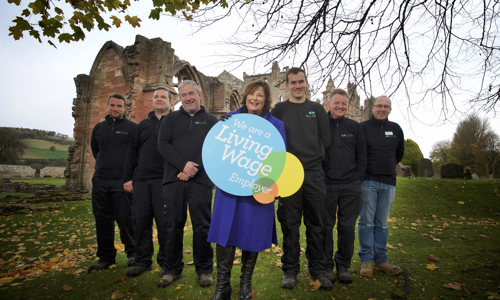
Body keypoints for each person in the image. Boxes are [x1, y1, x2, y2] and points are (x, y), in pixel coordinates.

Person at [208, 80, 286, 300]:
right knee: (225, 233)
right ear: (245, 96)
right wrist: (220, 126)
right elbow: (216, 149)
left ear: (266, 99)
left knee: (251, 234)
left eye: (260, 95)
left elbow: (279, 159)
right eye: (251, 94)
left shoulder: (276, 125)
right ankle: (222, 286)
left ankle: (245, 285)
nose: (255, 98)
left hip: (257, 189)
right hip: (229, 186)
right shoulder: (230, 119)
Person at [271, 67, 332, 290]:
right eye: (293, 82)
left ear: (306, 83)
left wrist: (310, 161)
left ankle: (318, 269)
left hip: (314, 174)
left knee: (317, 224)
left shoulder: (316, 109)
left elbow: (325, 141)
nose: (297, 85)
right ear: (286, 85)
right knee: (290, 224)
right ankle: (290, 269)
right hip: (288, 174)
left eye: (301, 81)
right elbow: (270, 137)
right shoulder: (279, 109)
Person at [157, 80, 218, 288]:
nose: (188, 98)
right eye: (183, 95)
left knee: (203, 226)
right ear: (179, 98)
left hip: (200, 182)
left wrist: (193, 169)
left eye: (191, 93)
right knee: (173, 225)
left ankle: (204, 269)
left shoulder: (211, 121)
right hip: (174, 181)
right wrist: (182, 166)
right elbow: (163, 146)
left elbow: (215, 149)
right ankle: (171, 268)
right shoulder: (170, 119)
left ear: (199, 94)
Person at [123, 87, 172, 278]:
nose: (159, 99)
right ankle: (142, 261)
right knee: (140, 222)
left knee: (164, 224)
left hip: (164, 181)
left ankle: (166, 262)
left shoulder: (175, 123)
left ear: (170, 100)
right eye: (156, 97)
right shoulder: (142, 125)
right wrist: (127, 178)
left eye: (163, 97)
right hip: (142, 181)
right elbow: (131, 153)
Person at [88, 93, 137, 272]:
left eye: (119, 106)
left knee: (126, 219)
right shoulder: (99, 128)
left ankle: (133, 253)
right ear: (108, 106)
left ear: (124, 108)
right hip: (100, 180)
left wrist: (129, 177)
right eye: (113, 105)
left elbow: (136, 155)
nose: (116, 109)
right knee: (102, 220)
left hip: (121, 181)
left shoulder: (132, 128)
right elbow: (96, 150)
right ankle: (106, 257)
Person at [322, 89, 366, 284]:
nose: (340, 106)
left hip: (350, 186)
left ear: (347, 106)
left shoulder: (355, 127)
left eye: (343, 104)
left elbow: (362, 156)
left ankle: (343, 265)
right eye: (336, 103)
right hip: (327, 185)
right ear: (329, 103)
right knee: (325, 227)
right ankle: (326, 266)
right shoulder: (320, 124)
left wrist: (357, 179)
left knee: (347, 227)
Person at [358, 95, 404, 277]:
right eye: (379, 106)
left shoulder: (396, 129)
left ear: (390, 110)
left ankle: (381, 260)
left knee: (382, 224)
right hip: (368, 181)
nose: (382, 109)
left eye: (386, 106)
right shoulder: (363, 128)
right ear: (373, 108)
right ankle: (366, 261)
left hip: (388, 183)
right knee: (366, 223)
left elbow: (399, 153)